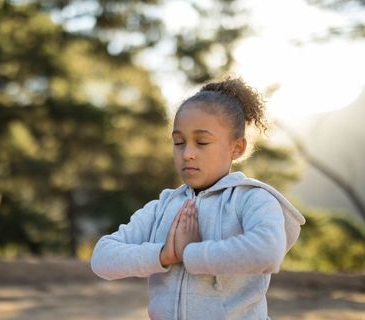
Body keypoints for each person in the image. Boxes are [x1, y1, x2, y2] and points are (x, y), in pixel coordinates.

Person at [90, 77, 306, 320]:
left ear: (237, 148)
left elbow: (268, 251)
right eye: (179, 142)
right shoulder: (162, 206)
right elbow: (102, 258)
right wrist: (164, 255)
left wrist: (190, 253)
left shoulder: (252, 199)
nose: (188, 154)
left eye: (202, 142)